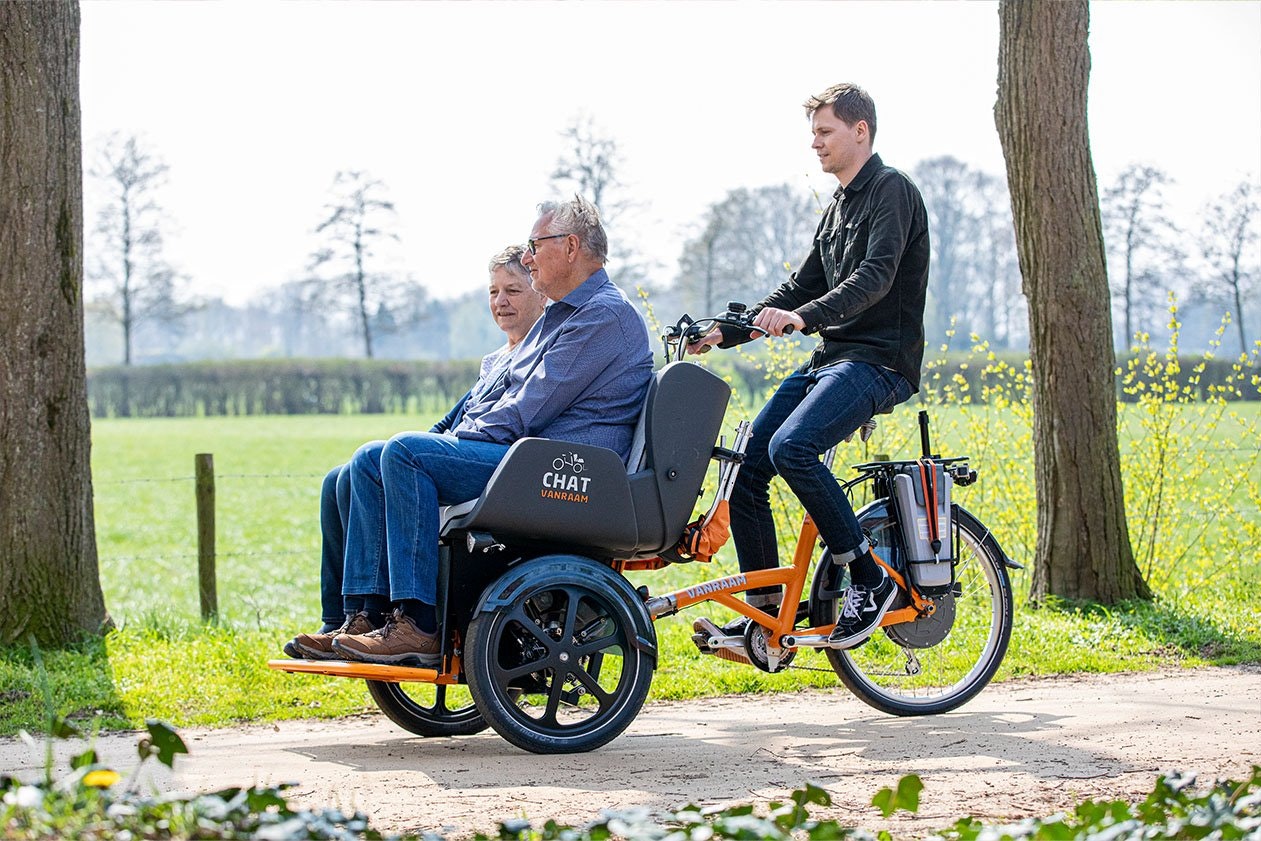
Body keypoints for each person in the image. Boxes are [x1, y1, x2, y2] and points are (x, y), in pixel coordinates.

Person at [327, 196, 653, 666]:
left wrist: (456, 440)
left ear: (570, 247)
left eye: (534, 246)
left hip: (560, 467)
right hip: (530, 456)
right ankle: (365, 617)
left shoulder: (603, 315)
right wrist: (457, 434)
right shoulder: (565, 315)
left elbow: (527, 408)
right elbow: (508, 398)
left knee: (404, 453)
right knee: (371, 459)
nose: (527, 257)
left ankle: (417, 625)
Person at [690, 83, 930, 649]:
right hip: (833, 358)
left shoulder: (891, 191)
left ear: (860, 131)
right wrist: (726, 331)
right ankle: (766, 615)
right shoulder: (839, 206)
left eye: (825, 132)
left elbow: (874, 278)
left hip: (879, 360)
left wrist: (806, 318)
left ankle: (869, 580)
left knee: (790, 448)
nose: (815, 145)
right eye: (814, 134)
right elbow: (799, 285)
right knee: (749, 466)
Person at [285, 245, 547, 659]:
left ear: (540, 292)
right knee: (343, 476)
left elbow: (518, 416)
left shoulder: (541, 351)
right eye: (493, 291)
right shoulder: (496, 359)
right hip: (469, 449)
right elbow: (450, 421)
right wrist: (409, 454)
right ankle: (350, 616)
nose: (500, 302)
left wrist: (415, 452)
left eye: (512, 290)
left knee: (382, 455)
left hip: (504, 466)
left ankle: (408, 618)